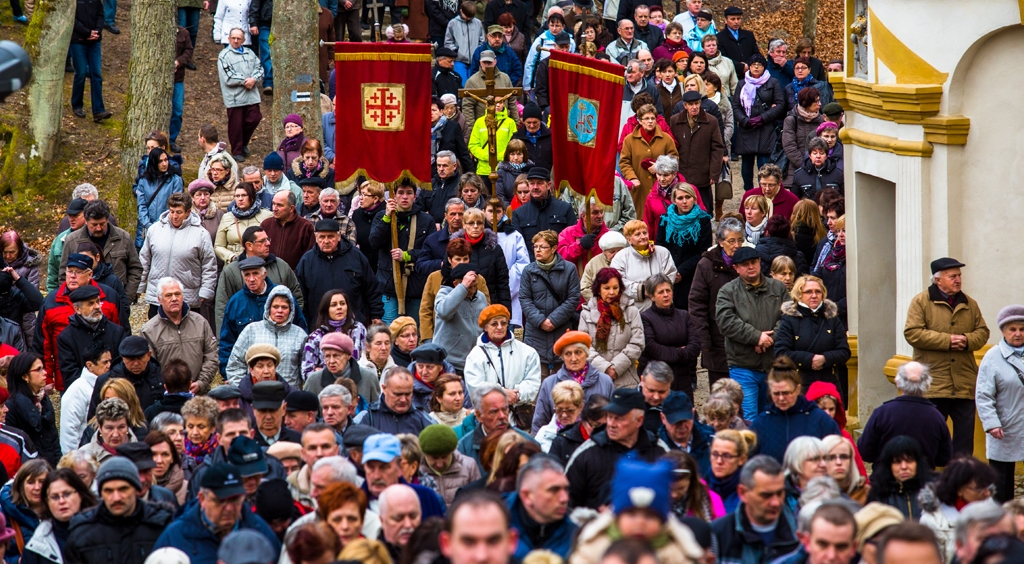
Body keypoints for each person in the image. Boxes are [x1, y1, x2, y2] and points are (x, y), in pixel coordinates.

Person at [905, 257, 990, 457]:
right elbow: (912, 333)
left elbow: (983, 332)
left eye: (959, 276)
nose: (958, 280)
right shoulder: (921, 302)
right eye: (953, 276)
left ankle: (961, 482)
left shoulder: (969, 303)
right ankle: (928, 481)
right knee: (929, 437)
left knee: (964, 442)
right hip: (933, 383)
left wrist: (967, 340)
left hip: (964, 382)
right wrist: (947, 341)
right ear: (938, 280)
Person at [569, 457, 704, 564]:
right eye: (631, 514)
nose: (640, 523)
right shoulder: (595, 546)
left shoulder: (675, 551)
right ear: (617, 515)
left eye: (650, 516)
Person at [154, 462, 282, 563]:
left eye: (235, 500)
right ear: (202, 499)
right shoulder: (176, 536)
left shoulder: (259, 530)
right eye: (221, 501)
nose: (230, 508)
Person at [565, 388, 666, 509]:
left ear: (639, 420)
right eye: (609, 416)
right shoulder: (586, 454)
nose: (611, 424)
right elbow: (566, 504)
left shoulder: (660, 451)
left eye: (619, 418)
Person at [63, 456, 174, 564]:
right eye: (109, 491)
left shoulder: (161, 525)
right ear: (101, 493)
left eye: (123, 489)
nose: (116, 498)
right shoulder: (82, 532)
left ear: (136, 489)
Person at [139, 192, 218, 319]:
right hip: (158, 293)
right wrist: (140, 285)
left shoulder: (201, 234)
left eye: (179, 212)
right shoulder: (154, 230)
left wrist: (206, 290)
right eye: (172, 211)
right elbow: (144, 259)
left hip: (188, 294)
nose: (174, 216)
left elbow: (209, 265)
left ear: (188, 212)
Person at [974, 305, 1024, 503]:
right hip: (1005, 425)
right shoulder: (993, 357)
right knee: (1000, 477)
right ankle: (999, 518)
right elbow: (984, 395)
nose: (1018, 334)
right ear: (1003, 331)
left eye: (1022, 329)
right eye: (1012, 329)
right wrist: (992, 423)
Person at [370, 180, 437, 325]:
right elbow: (374, 242)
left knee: (414, 330)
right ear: (393, 196)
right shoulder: (382, 216)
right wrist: (387, 218)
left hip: (416, 287)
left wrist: (407, 255)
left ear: (415, 196)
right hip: (388, 285)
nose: (404, 197)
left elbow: (431, 252)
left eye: (409, 193)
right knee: (390, 330)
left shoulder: (426, 220)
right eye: (400, 193)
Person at [749, 357, 840, 463]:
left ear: (797, 389)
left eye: (786, 393)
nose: (781, 398)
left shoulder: (820, 420)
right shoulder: (761, 423)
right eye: (776, 394)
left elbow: (837, 457)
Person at [297, 219, 383, 329]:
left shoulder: (356, 257)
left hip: (353, 325)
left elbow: (372, 288)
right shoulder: (306, 261)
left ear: (339, 236)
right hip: (319, 326)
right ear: (316, 237)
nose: (326, 241)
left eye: (331, 236)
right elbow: (301, 297)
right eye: (322, 237)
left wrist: (376, 315)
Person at [711, 455, 798, 563]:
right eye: (766, 495)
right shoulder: (718, 534)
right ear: (742, 493)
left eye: (780, 493)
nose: (776, 502)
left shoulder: (800, 533)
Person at [774, 275, 850, 398]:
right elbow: (781, 352)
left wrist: (825, 358)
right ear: (799, 295)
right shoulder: (789, 320)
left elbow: (844, 352)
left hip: (829, 384)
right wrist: (809, 359)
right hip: (800, 385)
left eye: (818, 292)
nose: (814, 296)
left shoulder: (832, 319)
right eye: (808, 292)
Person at [520, 230, 582, 376]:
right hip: (535, 332)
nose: (537, 250)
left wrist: (553, 320)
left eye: (542, 247)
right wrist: (541, 321)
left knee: (564, 380)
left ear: (554, 248)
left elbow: (573, 298)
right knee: (537, 380)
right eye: (535, 247)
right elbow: (525, 299)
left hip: (561, 329)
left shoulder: (569, 269)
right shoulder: (528, 271)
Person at [59, 200, 143, 303]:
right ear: (86, 221)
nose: (98, 228)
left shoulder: (124, 238)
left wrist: (126, 297)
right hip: (82, 303)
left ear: (107, 220)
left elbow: (135, 269)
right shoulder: (72, 241)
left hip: (115, 301)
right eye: (94, 224)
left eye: (102, 224)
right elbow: (63, 273)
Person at [918, 457, 998, 563]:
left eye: (988, 488)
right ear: (959, 490)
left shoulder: (990, 507)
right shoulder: (933, 521)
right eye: (979, 489)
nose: (987, 493)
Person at [464, 304, 541, 411]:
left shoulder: (528, 352)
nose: (499, 327)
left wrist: (517, 396)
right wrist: (502, 394)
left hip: (518, 418)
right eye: (494, 324)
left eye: (503, 323)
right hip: (488, 416)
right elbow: (475, 387)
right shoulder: (475, 356)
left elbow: (532, 382)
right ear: (485, 327)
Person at [579, 267, 645, 388]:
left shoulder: (631, 311)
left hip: (626, 379)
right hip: (595, 379)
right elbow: (583, 346)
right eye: (606, 288)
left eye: (615, 288)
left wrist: (616, 368)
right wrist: (605, 368)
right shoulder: (586, 313)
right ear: (598, 289)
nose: (611, 292)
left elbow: (637, 343)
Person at [21, 467, 98, 564]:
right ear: (47, 501)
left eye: (67, 494)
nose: (62, 501)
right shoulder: (37, 544)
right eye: (55, 497)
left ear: (80, 495)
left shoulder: (104, 531)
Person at [733, 53, 786, 192]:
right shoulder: (742, 83)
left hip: (766, 128)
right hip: (747, 129)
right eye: (753, 65)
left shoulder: (773, 82)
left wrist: (763, 118)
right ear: (749, 67)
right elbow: (736, 106)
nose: (756, 67)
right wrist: (745, 121)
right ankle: (749, 191)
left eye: (760, 65)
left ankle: (764, 190)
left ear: (764, 67)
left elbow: (780, 104)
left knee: (764, 164)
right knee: (746, 166)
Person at [655, 183, 712, 311]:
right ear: (674, 201)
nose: (684, 201)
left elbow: (703, 251)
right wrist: (670, 270)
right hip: (668, 272)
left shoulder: (703, 220)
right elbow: (660, 246)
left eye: (688, 197)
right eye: (680, 198)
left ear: (694, 199)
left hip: (691, 273)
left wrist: (681, 271)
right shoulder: (665, 219)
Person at [620, 103, 677, 218]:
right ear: (640, 121)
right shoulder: (629, 140)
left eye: (652, 118)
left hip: (662, 188)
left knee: (661, 219)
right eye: (646, 118)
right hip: (639, 189)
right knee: (641, 220)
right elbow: (624, 162)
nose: (650, 121)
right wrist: (632, 178)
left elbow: (674, 160)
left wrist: (659, 167)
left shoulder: (666, 138)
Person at [670, 90, 724, 210]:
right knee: (682, 206)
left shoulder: (711, 121)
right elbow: (671, 146)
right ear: (685, 106)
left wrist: (714, 173)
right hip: (682, 173)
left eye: (697, 103)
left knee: (704, 208)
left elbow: (717, 148)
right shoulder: (675, 121)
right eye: (691, 104)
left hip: (703, 174)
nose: (694, 107)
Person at [217, 28, 264, 161]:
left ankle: (243, 143)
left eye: (239, 38)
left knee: (255, 118)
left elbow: (259, 68)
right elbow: (228, 76)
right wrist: (245, 81)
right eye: (233, 38)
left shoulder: (250, 53)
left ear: (243, 40)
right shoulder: (224, 56)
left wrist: (254, 79)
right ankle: (237, 150)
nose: (236, 41)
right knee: (236, 125)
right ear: (229, 39)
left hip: (251, 95)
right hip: (235, 96)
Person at [610, 220, 676, 312]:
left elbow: (670, 274)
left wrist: (658, 291)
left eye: (644, 233)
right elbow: (618, 281)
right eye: (637, 234)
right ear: (629, 239)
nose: (643, 237)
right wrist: (643, 290)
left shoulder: (662, 252)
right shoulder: (620, 257)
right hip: (635, 310)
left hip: (662, 308)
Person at [5, 355, 60, 465]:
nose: (45, 373)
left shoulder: (43, 399)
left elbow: (53, 436)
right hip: (30, 468)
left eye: (43, 368)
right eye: (39, 369)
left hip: (50, 466)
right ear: (25, 376)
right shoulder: (11, 406)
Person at [512, 169, 577, 261]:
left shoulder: (565, 209)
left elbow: (571, 239)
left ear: (549, 185)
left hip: (560, 265)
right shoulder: (519, 213)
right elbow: (519, 246)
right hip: (532, 267)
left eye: (539, 183)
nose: (535, 187)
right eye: (532, 183)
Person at [865, 435, 934, 520]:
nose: (904, 467)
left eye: (909, 461)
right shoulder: (878, 496)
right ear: (889, 466)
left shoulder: (933, 492)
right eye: (897, 462)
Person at [353, 368, 435, 436]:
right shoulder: (367, 418)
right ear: (384, 389)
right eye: (397, 394)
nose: (403, 399)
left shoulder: (423, 418)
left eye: (408, 394)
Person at [69, 0, 111, 123]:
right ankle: (77, 105)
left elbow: (100, 15)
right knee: (81, 73)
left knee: (96, 74)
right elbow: (72, 18)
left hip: (94, 42)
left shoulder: (96, 1)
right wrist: (87, 32)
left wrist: (97, 31)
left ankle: (98, 110)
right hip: (78, 41)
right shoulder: (73, 2)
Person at [261, 191, 316, 271]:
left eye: (279, 205)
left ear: (291, 208)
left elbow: (309, 257)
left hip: (295, 278)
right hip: (268, 275)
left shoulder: (305, 227)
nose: (274, 208)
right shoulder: (266, 224)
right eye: (273, 204)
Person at [444, 1, 485, 84]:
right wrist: (455, 51)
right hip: (459, 60)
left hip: (475, 60)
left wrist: (478, 53)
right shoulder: (453, 23)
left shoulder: (478, 23)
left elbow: (482, 41)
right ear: (461, 10)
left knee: (474, 83)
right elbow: (448, 42)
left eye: (471, 17)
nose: (469, 18)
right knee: (463, 83)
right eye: (467, 16)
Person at [511, 104, 554, 172]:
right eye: (528, 122)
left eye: (535, 122)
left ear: (540, 121)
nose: (532, 126)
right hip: (523, 178)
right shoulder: (516, 138)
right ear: (524, 121)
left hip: (546, 177)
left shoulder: (550, 137)